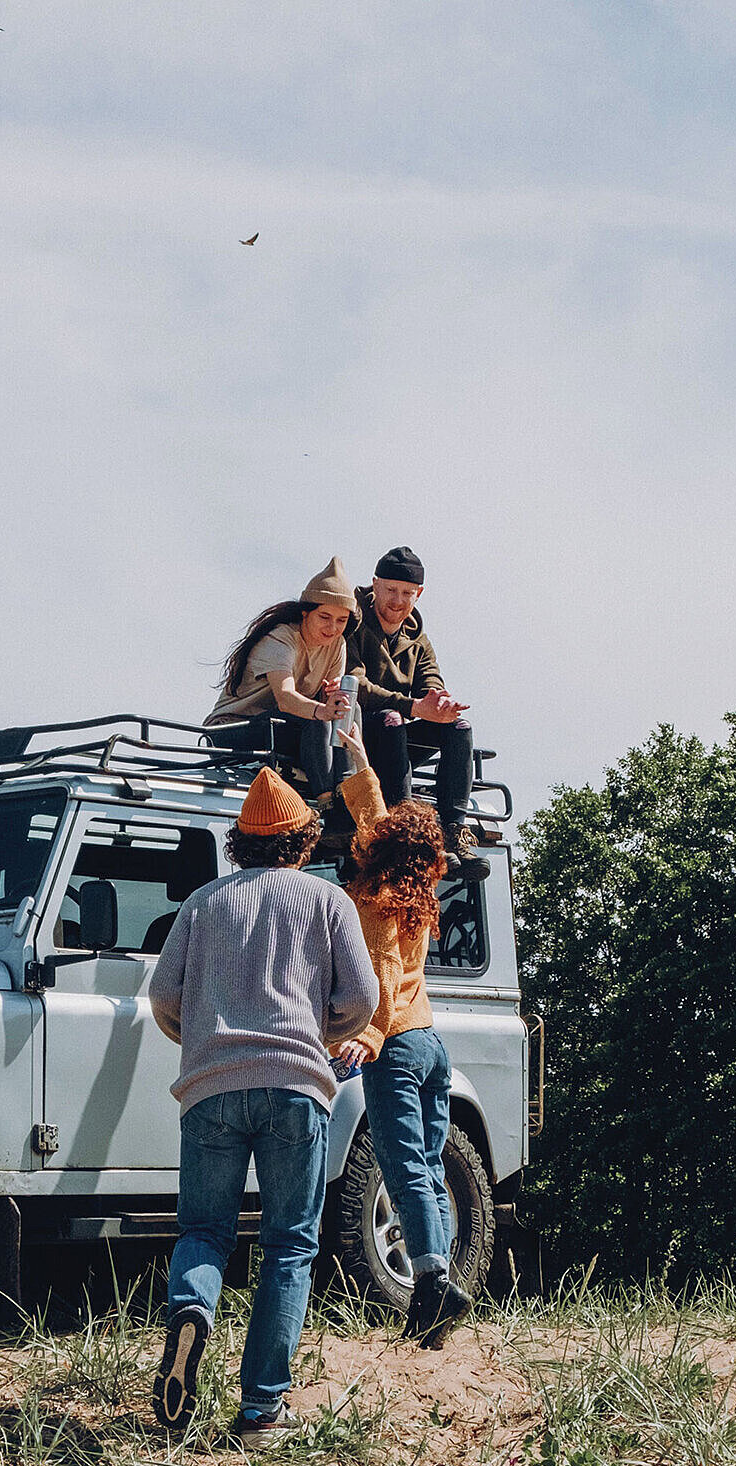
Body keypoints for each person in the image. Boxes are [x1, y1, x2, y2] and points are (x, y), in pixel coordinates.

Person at [148, 766, 378, 1444]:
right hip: (296, 1087)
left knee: (203, 1230)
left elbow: (163, 996)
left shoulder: (203, 903)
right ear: (302, 841)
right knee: (288, 1244)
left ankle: (192, 1311)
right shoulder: (326, 899)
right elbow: (363, 998)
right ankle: (260, 1411)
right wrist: (320, 1032)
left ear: (239, 843)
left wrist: (202, 1038)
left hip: (210, 1088)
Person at [333, 720, 474, 1348]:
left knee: (404, 1166)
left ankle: (433, 1280)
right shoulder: (419, 887)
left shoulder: (376, 898)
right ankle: (438, 1291)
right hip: (431, 1044)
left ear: (384, 846)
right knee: (430, 1166)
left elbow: (384, 972)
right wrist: (358, 753)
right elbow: (373, 815)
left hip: (394, 1046)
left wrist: (368, 1033)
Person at [341, 546, 483, 874]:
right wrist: (413, 706)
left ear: (419, 593)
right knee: (392, 720)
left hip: (397, 742)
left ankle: (453, 833)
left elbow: (430, 684)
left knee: (458, 727)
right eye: (391, 590)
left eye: (407, 593)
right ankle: (405, 830)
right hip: (358, 734)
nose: (398, 600)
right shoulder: (351, 622)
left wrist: (442, 705)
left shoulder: (418, 637)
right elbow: (355, 685)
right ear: (375, 585)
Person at [204, 557, 359, 820]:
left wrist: (333, 698)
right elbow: (286, 699)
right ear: (305, 613)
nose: (332, 628)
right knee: (318, 720)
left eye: (341, 620)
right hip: (233, 729)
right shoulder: (281, 637)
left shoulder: (338, 645)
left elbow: (331, 709)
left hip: (287, 727)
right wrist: (323, 709)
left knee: (350, 708)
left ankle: (348, 792)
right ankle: (327, 806)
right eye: (324, 617)